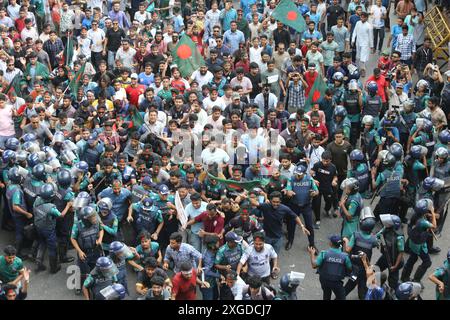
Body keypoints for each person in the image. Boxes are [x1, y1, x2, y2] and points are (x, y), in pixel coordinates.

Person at [401, 199, 437, 285]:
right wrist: (432, 212)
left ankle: (404, 277)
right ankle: (416, 279)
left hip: (412, 240)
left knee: (412, 258)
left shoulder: (414, 215)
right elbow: (434, 226)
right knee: (427, 262)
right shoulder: (422, 222)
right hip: (419, 243)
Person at [307, 235, 352, 300]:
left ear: (330, 243)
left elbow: (314, 265)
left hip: (324, 280)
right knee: (341, 297)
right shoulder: (345, 256)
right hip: (337, 282)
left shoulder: (324, 254)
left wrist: (312, 254)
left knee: (326, 295)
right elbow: (350, 268)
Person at [376, 214, 405, 290]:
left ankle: (393, 292)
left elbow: (401, 253)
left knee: (393, 281)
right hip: (385, 256)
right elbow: (378, 235)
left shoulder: (399, 237)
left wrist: (395, 266)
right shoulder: (386, 228)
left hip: (394, 261)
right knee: (376, 269)